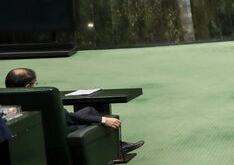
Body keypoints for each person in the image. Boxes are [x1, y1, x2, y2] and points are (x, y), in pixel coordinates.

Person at [5, 68, 144, 153]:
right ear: (29, 85)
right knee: (98, 121)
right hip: (60, 132)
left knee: (89, 110)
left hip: (34, 131)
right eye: (35, 83)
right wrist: (103, 120)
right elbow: (67, 118)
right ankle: (117, 148)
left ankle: (117, 146)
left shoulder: (4, 98)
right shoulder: (42, 97)